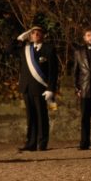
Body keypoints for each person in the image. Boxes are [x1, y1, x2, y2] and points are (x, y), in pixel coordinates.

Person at [14, 23, 59, 151]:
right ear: (30, 35)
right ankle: (31, 143)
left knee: (41, 116)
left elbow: (53, 71)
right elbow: (8, 49)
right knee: (30, 117)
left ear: (43, 35)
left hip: (41, 88)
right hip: (26, 88)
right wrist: (20, 39)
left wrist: (51, 88)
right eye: (33, 33)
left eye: (38, 33)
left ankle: (42, 143)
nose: (35, 35)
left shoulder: (48, 49)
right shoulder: (25, 49)